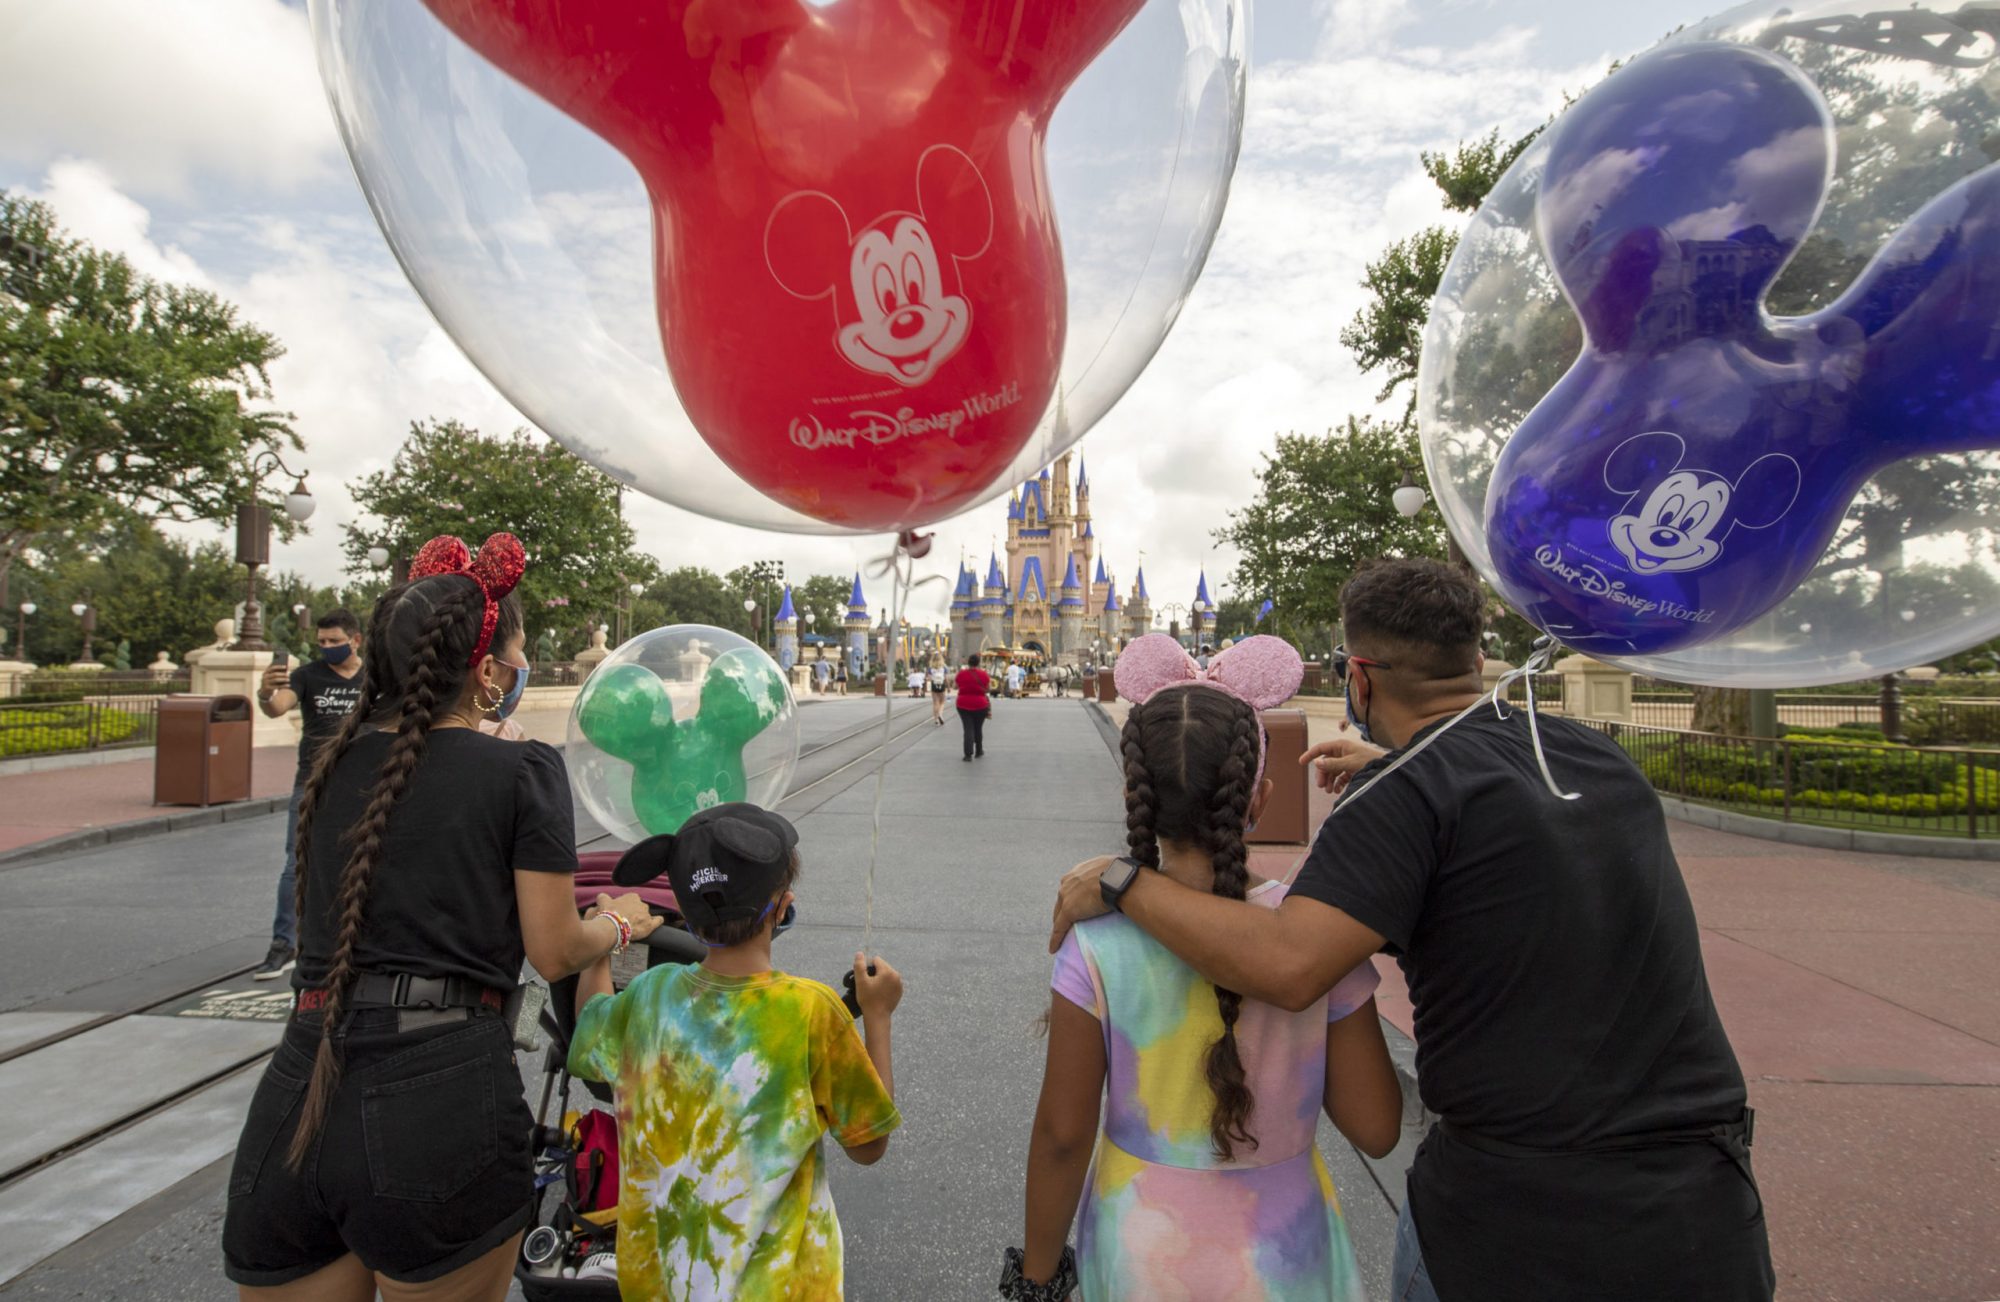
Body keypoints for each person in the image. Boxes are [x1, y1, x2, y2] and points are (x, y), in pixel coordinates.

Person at [1049, 558, 1773, 1302]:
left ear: (1358, 679)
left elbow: (1290, 964)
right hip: (1703, 1202)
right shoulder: (1590, 754)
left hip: (1525, 1219)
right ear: (1476, 657)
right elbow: (1488, 810)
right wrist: (1399, 768)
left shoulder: (1406, 797)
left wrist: (1122, 879)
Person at [223, 532, 662, 1299]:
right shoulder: (522, 769)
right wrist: (621, 922)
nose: (523, 668)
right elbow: (555, 949)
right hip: (436, 1094)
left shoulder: (334, 763)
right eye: (519, 653)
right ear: (488, 672)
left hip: (300, 1084)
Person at [1010, 642, 1400, 1301]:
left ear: (1137, 797)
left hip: (1142, 1252)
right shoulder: (1316, 937)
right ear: (1260, 798)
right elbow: (1376, 1126)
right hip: (1288, 1256)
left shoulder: (1099, 942)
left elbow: (1061, 1135)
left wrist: (1036, 1280)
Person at [571, 804, 902, 1299]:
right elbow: (868, 1145)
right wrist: (877, 1015)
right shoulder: (810, 1010)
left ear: (683, 907)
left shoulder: (647, 996)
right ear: (784, 905)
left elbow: (591, 1020)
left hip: (659, 1286)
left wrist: (609, 930)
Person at [253, 609, 367, 980]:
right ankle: (284, 943)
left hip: (363, 779)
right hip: (313, 781)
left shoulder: (375, 677)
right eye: (321, 642)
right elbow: (276, 708)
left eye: (334, 641)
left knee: (364, 859)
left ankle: (360, 939)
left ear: (355, 640)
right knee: (296, 863)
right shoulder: (307, 676)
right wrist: (265, 691)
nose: (327, 648)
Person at [956, 653, 992, 762]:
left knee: (968, 728)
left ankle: (968, 754)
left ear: (968, 662)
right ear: (978, 662)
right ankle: (979, 750)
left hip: (963, 704)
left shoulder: (961, 674)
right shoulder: (984, 674)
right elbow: (988, 689)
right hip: (980, 705)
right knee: (978, 728)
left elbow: (956, 686)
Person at [930, 660, 949, 726]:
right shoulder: (944, 667)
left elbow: (928, 677)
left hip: (934, 685)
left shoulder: (930, 667)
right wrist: (948, 687)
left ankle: (936, 720)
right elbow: (946, 678)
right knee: (942, 702)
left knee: (935, 703)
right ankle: (940, 714)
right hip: (942, 684)